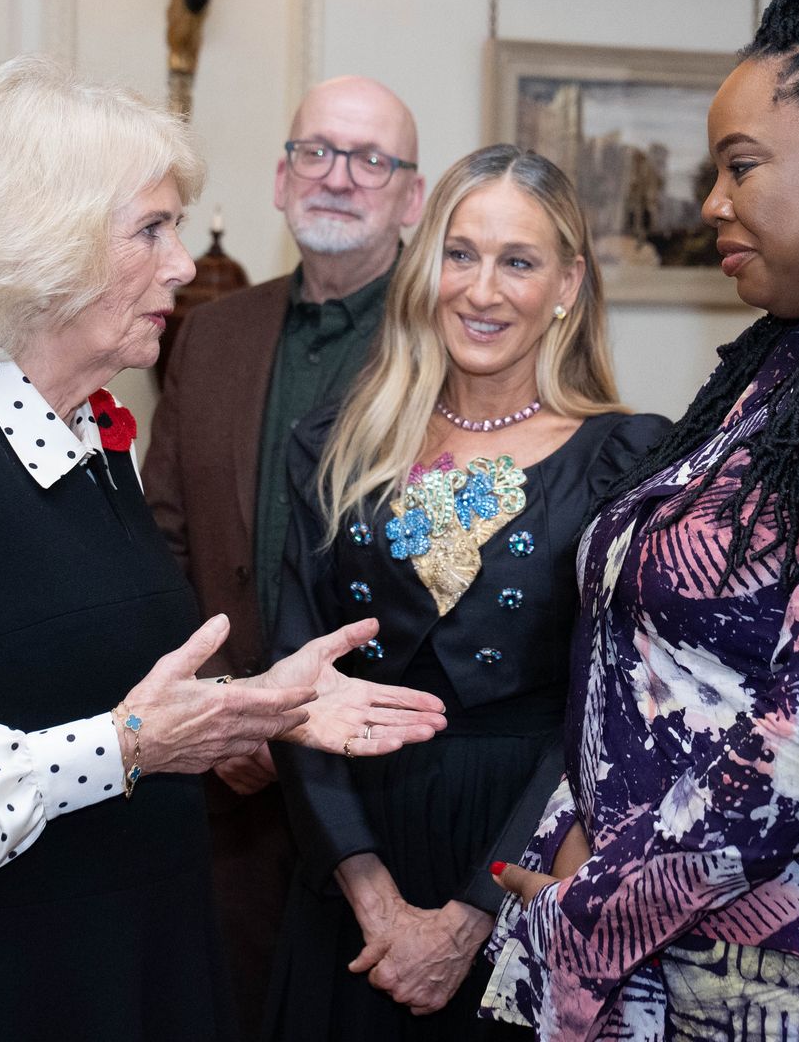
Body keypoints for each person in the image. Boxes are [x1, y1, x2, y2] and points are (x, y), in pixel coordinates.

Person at [0, 54, 448, 1042]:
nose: (185, 264)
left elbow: (78, 683)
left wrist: (259, 703)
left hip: (122, 960)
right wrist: (128, 749)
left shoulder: (90, 436)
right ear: (47, 242)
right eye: (152, 228)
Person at [484, 0, 799, 1038]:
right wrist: (571, 840)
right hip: (639, 948)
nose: (711, 202)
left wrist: (598, 904)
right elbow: (632, 662)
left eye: (742, 167)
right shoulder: (779, 367)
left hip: (769, 979)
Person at [265, 143, 669, 1041]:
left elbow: (613, 712)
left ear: (566, 283)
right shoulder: (333, 444)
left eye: (517, 262)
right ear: (426, 268)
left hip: (525, 863)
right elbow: (291, 677)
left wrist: (469, 914)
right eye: (460, 254)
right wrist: (371, 897)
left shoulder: (629, 460)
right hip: (347, 854)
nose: (482, 291)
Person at [142, 74, 425, 1037]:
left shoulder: (449, 344)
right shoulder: (210, 335)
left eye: (370, 159)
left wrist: (303, 717)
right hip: (222, 790)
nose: (338, 177)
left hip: (382, 787)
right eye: (316, 151)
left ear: (410, 197)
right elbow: (163, 543)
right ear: (279, 176)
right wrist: (228, 714)